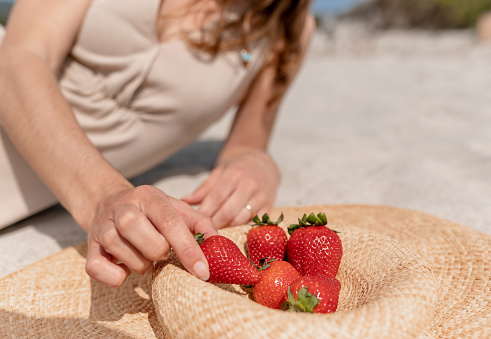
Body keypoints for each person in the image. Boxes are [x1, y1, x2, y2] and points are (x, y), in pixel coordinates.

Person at [0, 0, 314, 287]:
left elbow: (246, 145)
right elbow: (19, 56)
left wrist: (259, 164)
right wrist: (102, 195)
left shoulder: (286, 24)